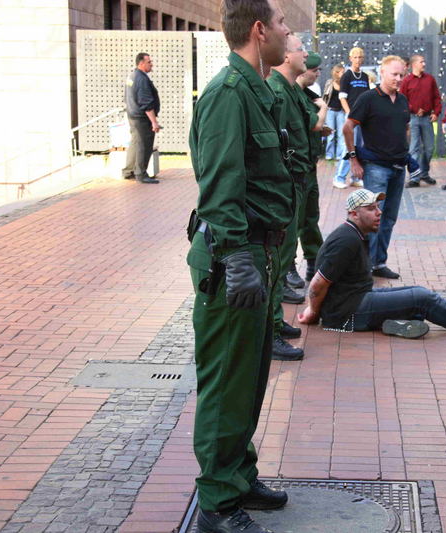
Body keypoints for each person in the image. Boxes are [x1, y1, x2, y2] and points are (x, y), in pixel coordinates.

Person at [186, 0, 291, 531]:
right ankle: (217, 502)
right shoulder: (230, 94)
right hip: (235, 257)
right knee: (228, 379)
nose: (286, 30)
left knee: (249, 376)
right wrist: (236, 259)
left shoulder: (257, 90)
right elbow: (220, 185)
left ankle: (238, 475)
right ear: (258, 30)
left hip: (258, 254)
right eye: (280, 23)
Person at [297, 189, 446, 336]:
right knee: (421, 298)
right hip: (347, 314)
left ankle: (395, 322)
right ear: (354, 214)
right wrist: (313, 312)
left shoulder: (355, 234)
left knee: (417, 292)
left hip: (356, 302)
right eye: (371, 209)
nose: (379, 212)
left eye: (378, 207)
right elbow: (318, 284)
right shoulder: (345, 240)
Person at [267, 35, 327, 362]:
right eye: (300, 48)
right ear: (286, 56)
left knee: (286, 249)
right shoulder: (277, 90)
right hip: (288, 183)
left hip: (299, 179)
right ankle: (271, 328)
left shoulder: (290, 90)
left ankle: (275, 321)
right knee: (277, 259)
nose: (305, 54)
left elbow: (304, 128)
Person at [343, 55, 410, 280]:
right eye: (394, 74)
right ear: (382, 73)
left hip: (398, 168)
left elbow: (406, 127)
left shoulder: (402, 100)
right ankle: (365, 266)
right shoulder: (368, 98)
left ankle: (379, 262)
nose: (399, 79)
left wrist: (406, 153)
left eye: (401, 74)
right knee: (371, 219)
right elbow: (348, 127)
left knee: (389, 218)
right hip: (376, 169)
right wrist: (353, 159)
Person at [293, 52, 328, 285]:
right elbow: (314, 123)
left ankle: (314, 262)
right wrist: (324, 109)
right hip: (296, 167)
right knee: (295, 219)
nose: (317, 73)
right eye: (314, 70)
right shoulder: (293, 95)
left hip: (309, 165)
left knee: (310, 217)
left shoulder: (306, 95)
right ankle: (287, 268)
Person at [400, 54, 441, 187]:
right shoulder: (406, 81)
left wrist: (436, 112)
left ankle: (424, 173)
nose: (424, 64)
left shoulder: (430, 79)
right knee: (414, 148)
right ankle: (415, 177)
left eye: (424, 61)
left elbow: (436, 97)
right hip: (413, 118)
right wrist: (413, 109)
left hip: (427, 118)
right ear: (414, 64)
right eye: (421, 62)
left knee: (429, 148)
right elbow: (402, 99)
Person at [332, 47, 369, 189]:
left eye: (360, 57)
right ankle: (339, 177)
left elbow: (366, 98)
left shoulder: (365, 77)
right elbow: (342, 98)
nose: (358, 60)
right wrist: (349, 114)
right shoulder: (347, 76)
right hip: (350, 117)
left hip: (362, 118)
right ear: (350, 58)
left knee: (358, 147)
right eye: (355, 57)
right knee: (348, 147)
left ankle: (355, 177)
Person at [122, 52, 161, 184]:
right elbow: (146, 103)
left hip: (133, 115)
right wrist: (154, 122)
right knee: (144, 145)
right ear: (141, 63)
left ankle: (129, 171)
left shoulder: (132, 76)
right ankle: (141, 173)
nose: (151, 64)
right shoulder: (142, 79)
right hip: (141, 118)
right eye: (149, 62)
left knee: (135, 143)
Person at [323, 64, 345, 160]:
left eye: (343, 72)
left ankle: (339, 155)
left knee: (341, 134)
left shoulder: (345, 84)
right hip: (330, 110)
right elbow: (325, 96)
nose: (342, 73)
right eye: (340, 72)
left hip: (341, 111)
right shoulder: (330, 82)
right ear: (336, 72)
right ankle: (329, 154)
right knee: (330, 134)